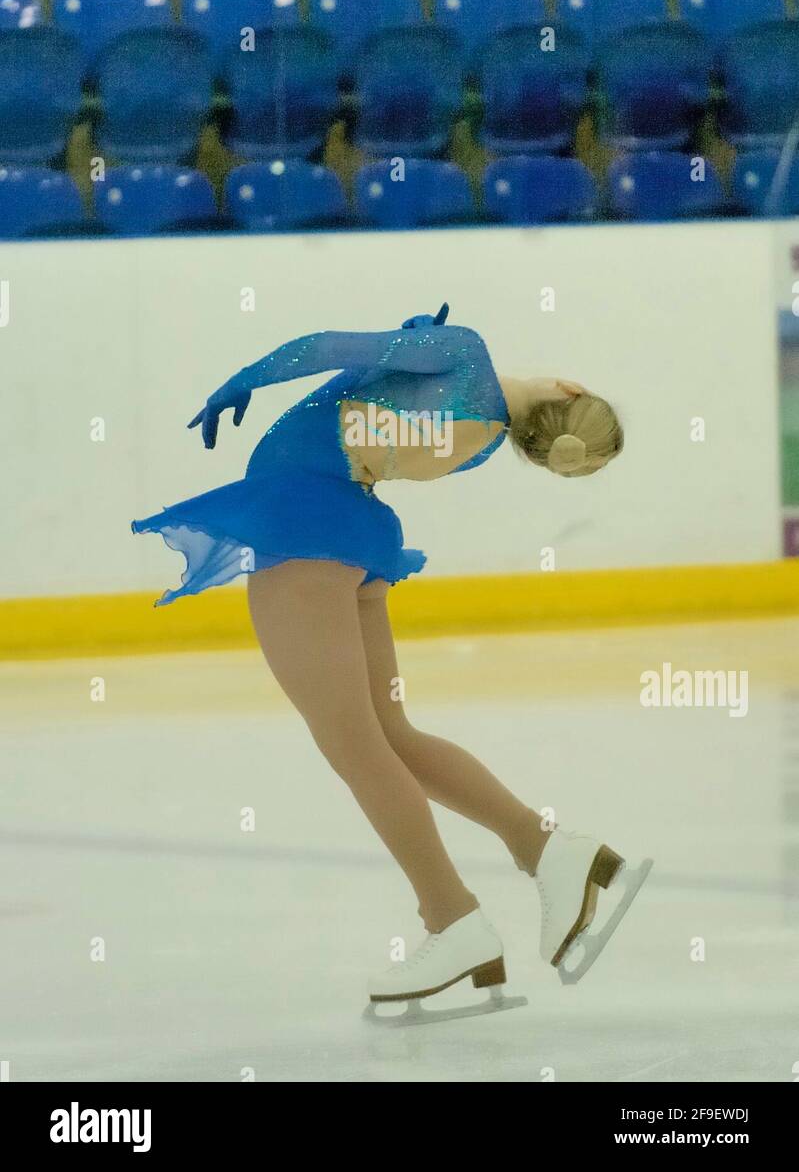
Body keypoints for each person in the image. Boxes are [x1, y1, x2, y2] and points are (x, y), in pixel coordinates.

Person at [132, 304, 650, 1012]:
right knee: (390, 735)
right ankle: (547, 850)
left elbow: (323, 347)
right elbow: (370, 425)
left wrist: (248, 377)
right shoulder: (482, 441)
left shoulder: (465, 352)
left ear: (566, 388)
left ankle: (451, 917)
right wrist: (395, 361)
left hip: (302, 526)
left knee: (354, 744)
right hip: (359, 537)